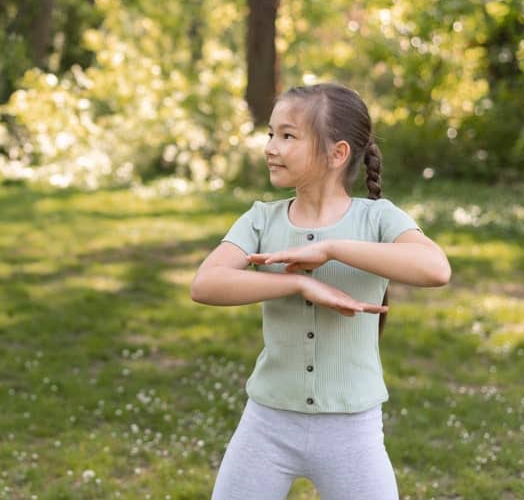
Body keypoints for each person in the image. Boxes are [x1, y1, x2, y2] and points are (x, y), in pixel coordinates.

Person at [190, 83, 450, 500]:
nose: (271, 147)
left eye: (288, 136)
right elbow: (205, 284)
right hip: (267, 424)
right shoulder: (260, 219)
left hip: (352, 431)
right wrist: (298, 282)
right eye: (271, 134)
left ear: (337, 153)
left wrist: (330, 249)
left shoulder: (378, 219)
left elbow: (436, 269)